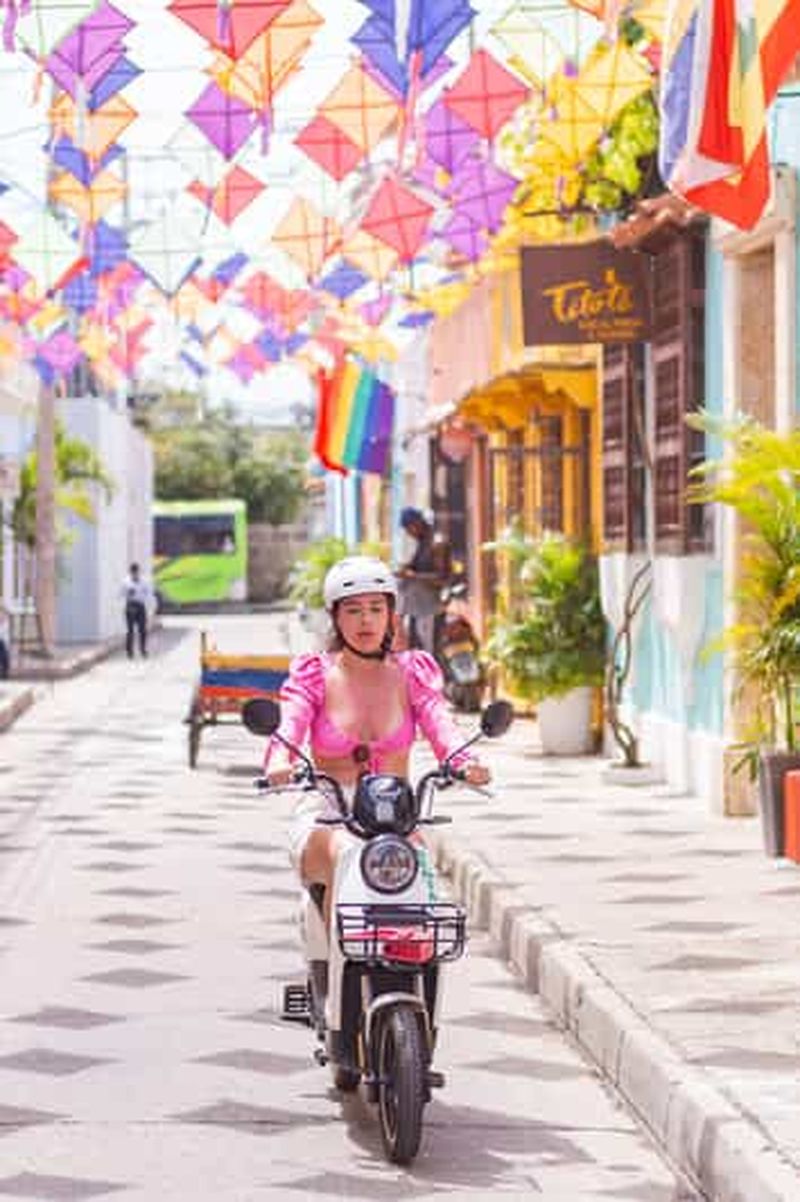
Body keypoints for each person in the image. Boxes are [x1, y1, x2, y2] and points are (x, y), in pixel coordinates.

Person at [262, 555, 489, 917]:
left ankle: (417, 952)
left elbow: (440, 721)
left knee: (420, 878)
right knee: (345, 853)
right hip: (329, 813)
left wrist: (465, 761)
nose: (365, 620)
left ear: (390, 615)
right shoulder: (314, 675)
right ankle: (337, 953)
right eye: (353, 610)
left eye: (375, 609)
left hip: (396, 815)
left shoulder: (413, 672)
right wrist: (279, 761)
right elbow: (290, 723)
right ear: (335, 616)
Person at [396, 506, 452, 655]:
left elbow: (441, 578)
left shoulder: (437, 542)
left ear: (417, 523)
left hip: (431, 607)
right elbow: (417, 567)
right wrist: (405, 568)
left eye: (409, 529)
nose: (409, 534)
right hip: (417, 608)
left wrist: (413, 576)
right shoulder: (422, 543)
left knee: (430, 652)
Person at [122, 562, 151, 659]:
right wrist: (127, 593)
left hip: (140, 606)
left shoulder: (144, 581)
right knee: (130, 630)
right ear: (130, 572)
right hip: (130, 606)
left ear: (139, 572)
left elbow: (148, 593)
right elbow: (120, 594)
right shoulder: (125, 582)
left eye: (136, 572)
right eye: (133, 572)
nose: (135, 574)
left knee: (143, 629)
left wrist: (147, 603)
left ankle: (143, 650)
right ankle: (129, 651)